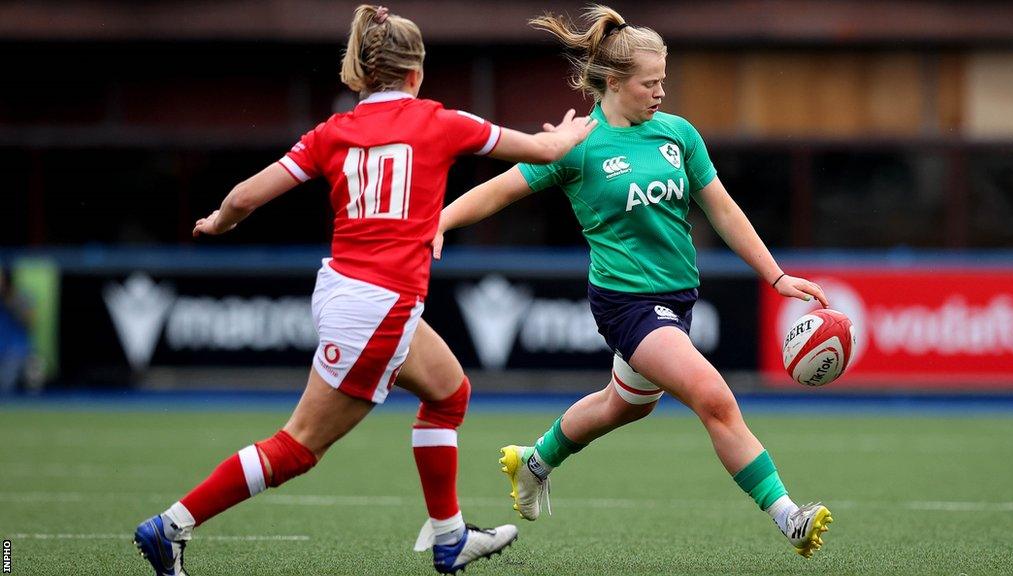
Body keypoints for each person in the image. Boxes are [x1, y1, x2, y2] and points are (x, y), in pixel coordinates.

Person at [132, 5, 595, 576]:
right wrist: (570, 132)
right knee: (299, 448)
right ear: (415, 74)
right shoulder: (440, 121)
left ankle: (449, 538)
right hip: (381, 306)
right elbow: (547, 152)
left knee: (448, 393)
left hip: (344, 291)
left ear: (364, 73)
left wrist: (219, 222)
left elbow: (247, 195)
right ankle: (171, 525)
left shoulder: (335, 132)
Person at [432, 5, 834, 559]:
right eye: (652, 82)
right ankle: (789, 515)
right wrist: (440, 223)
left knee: (626, 404)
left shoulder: (677, 135)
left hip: (677, 299)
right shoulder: (578, 146)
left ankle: (533, 461)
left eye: (664, 80)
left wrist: (777, 276)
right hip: (627, 304)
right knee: (714, 397)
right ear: (615, 83)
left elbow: (721, 209)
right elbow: (501, 189)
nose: (662, 92)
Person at [0, 265, 33, 395]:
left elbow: (29, 321)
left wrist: (9, 300)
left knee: (6, 385)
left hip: (14, 353)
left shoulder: (18, 297)